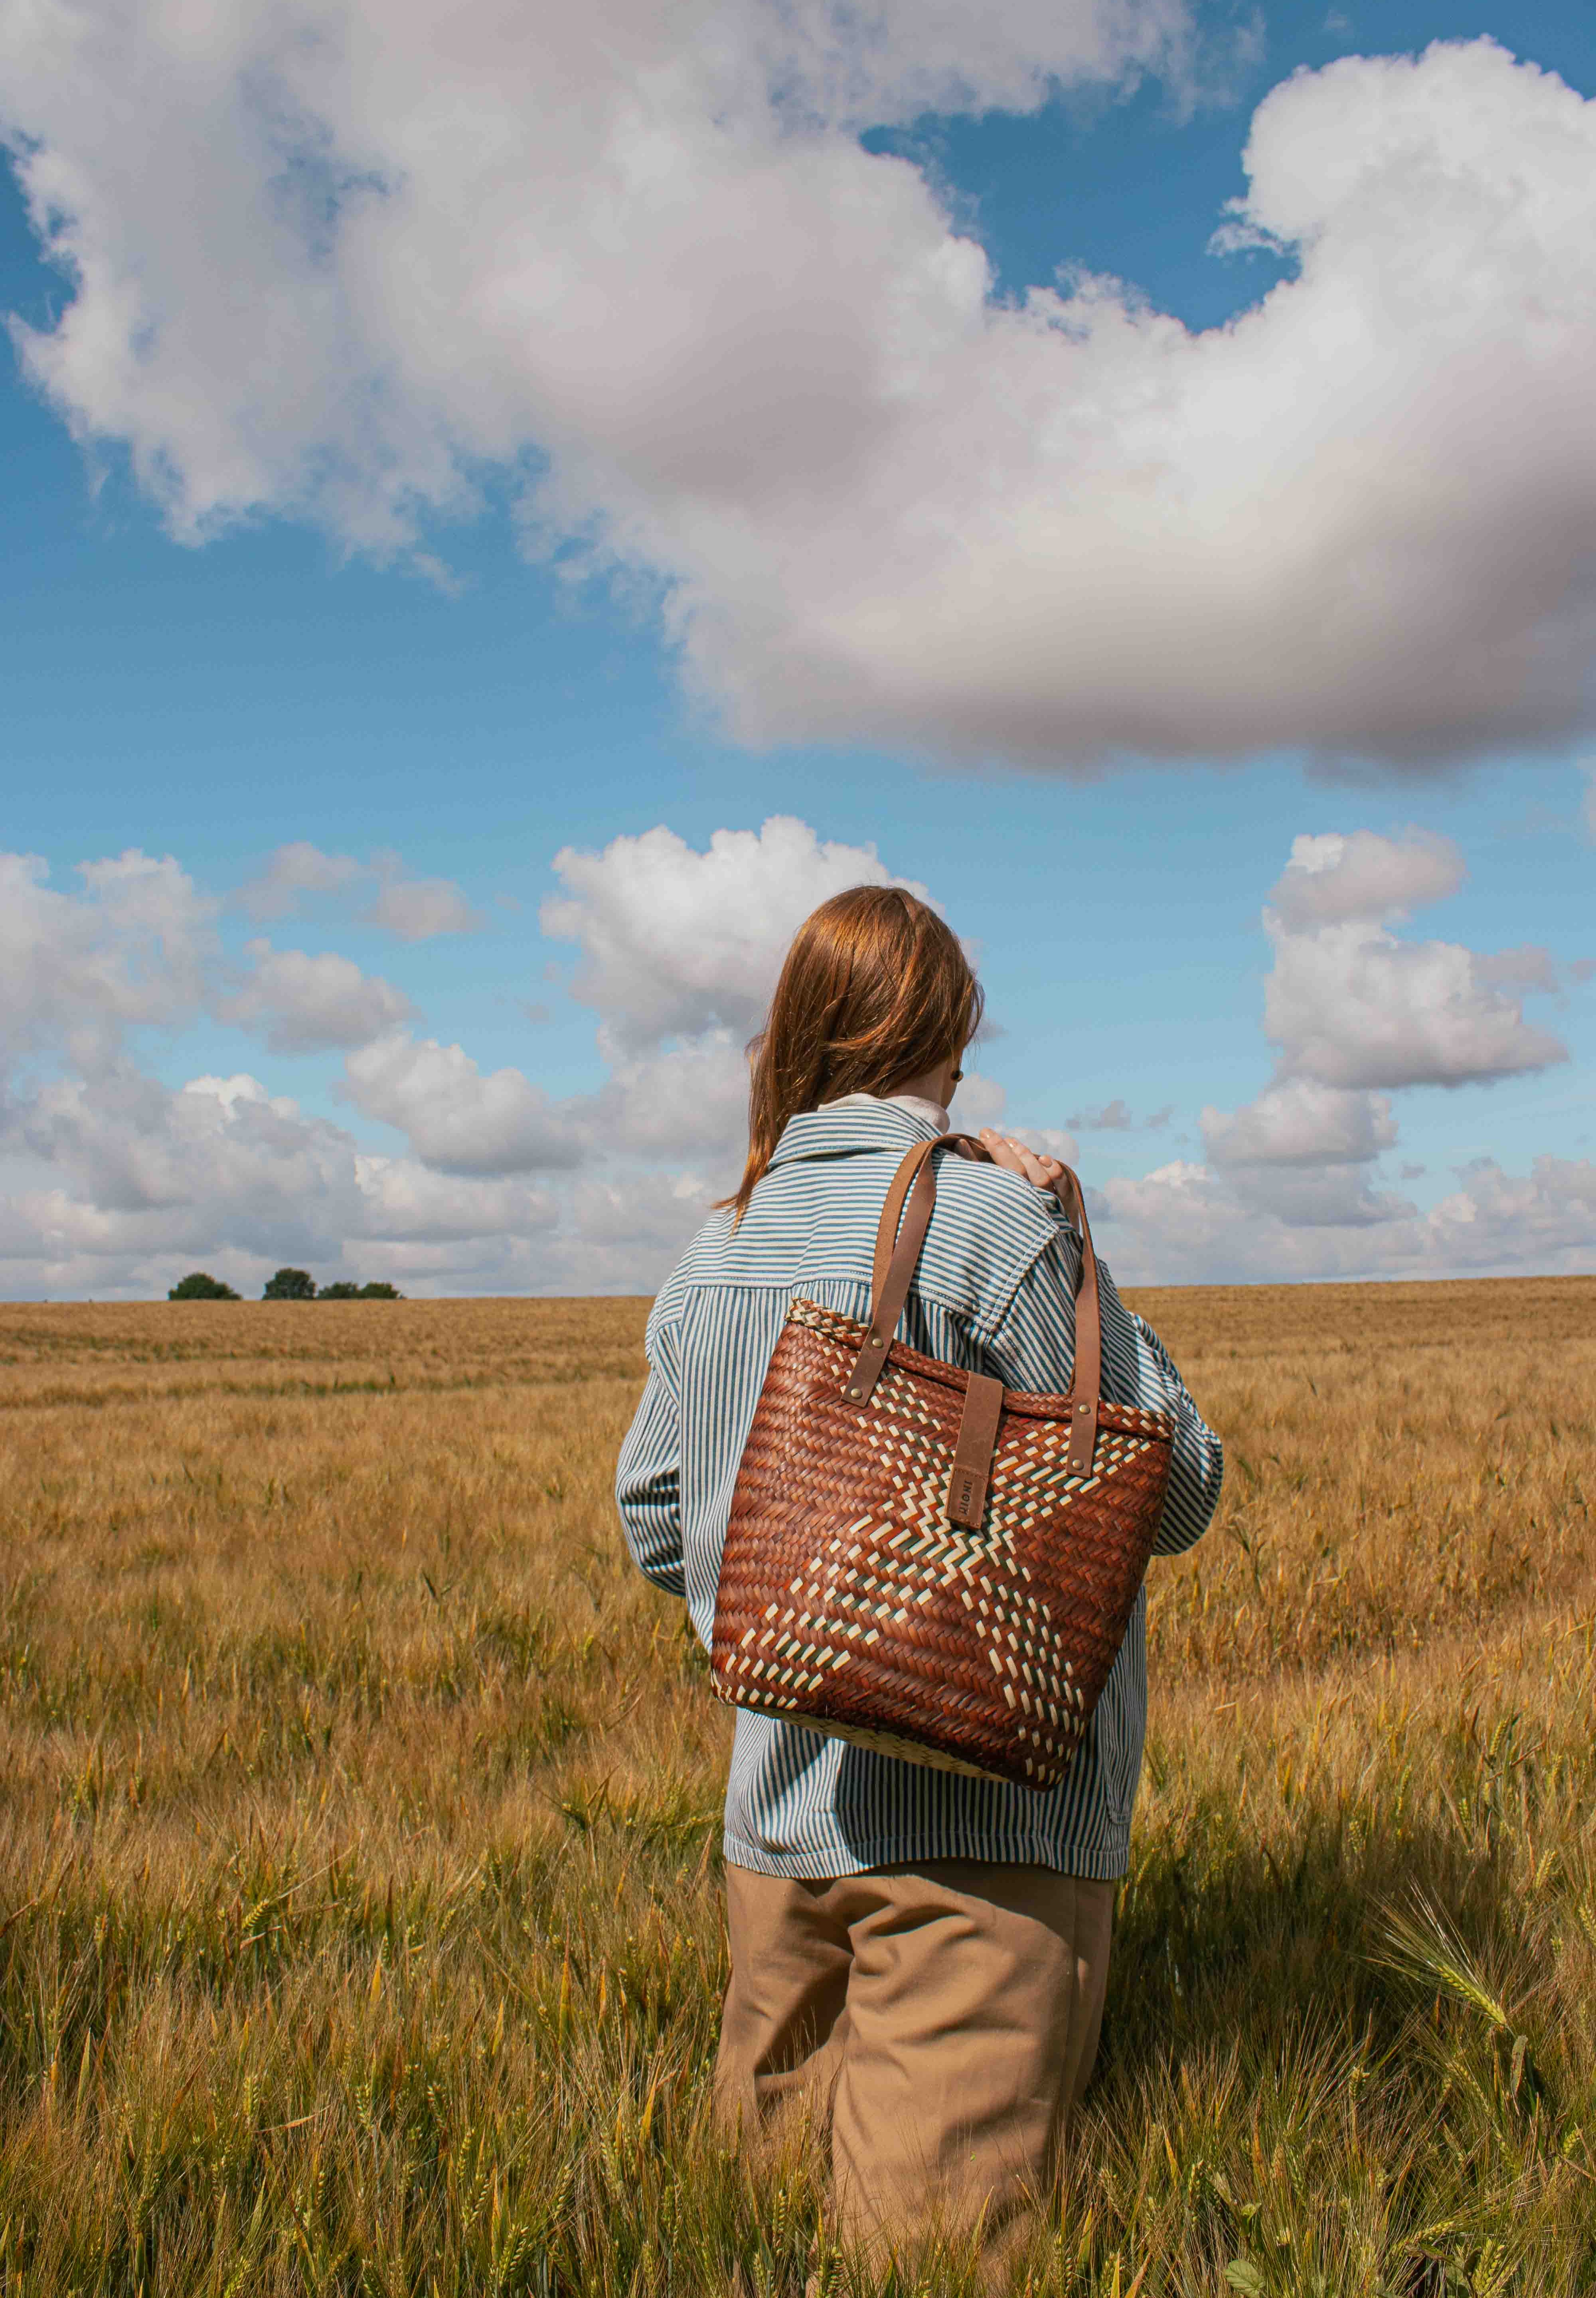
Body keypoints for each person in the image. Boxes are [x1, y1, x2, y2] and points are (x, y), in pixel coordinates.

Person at [615, 885, 1223, 2284]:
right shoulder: (995, 1222)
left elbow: (656, 1515)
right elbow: (1177, 1491)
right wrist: (1075, 1242)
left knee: (755, 2244)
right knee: (938, 2266)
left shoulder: (719, 1246)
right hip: (983, 1853)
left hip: (777, 1835)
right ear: (949, 1029)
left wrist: (812, 1613)